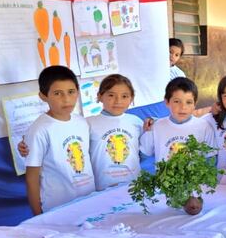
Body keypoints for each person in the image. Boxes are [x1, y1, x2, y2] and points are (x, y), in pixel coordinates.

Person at [24, 66, 95, 215]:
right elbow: (32, 177)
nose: (66, 99)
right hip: (58, 209)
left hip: (89, 201)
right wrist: (38, 217)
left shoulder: (82, 122)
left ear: (78, 91)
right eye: (57, 93)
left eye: (71, 92)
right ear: (43, 96)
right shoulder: (40, 129)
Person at [86, 74, 144, 190]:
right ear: (100, 96)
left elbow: (143, 152)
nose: (118, 101)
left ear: (131, 98)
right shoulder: (88, 124)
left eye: (124, 96)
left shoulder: (136, 122)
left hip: (134, 188)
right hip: (101, 189)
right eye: (111, 95)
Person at [140, 77, 216, 164]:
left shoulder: (204, 127)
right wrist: (148, 131)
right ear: (167, 102)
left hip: (194, 178)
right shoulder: (156, 126)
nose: (183, 107)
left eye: (189, 102)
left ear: (195, 104)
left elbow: (211, 158)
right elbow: (144, 154)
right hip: (163, 177)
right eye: (177, 101)